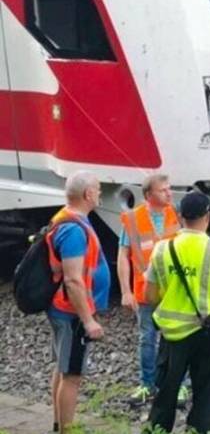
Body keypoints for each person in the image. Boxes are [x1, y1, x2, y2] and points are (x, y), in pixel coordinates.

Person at [144, 192, 210, 434]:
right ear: (207, 217)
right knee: (206, 395)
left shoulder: (161, 249)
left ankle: (157, 430)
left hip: (171, 335)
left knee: (166, 393)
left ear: (179, 216)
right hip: (206, 334)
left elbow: (149, 297)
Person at [47, 171, 110, 434]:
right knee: (72, 376)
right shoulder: (73, 229)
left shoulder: (66, 218)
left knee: (62, 369)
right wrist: (87, 320)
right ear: (88, 194)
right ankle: (66, 430)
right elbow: (73, 280)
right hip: (72, 313)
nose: (100, 194)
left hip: (61, 307)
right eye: (98, 189)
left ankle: (58, 423)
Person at [116, 173, 184, 406]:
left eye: (169, 188)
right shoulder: (133, 219)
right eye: (163, 190)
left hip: (174, 290)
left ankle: (180, 386)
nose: (169, 193)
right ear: (148, 195)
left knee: (176, 338)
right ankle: (148, 384)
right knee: (148, 339)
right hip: (146, 292)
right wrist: (125, 291)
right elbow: (123, 256)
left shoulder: (175, 213)